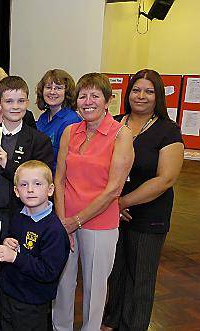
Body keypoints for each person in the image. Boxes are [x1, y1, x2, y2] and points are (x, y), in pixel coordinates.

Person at [101, 69, 184, 331]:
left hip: (149, 216)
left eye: (149, 91)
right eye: (136, 89)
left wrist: (122, 203)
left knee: (141, 279)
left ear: (158, 96)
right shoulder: (113, 123)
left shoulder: (167, 130)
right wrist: (112, 203)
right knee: (115, 274)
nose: (141, 96)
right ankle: (111, 321)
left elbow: (165, 179)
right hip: (111, 214)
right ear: (128, 93)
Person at [52, 73, 134, 331]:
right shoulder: (69, 131)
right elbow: (59, 179)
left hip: (99, 224)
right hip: (65, 220)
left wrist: (76, 222)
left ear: (108, 100)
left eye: (94, 95)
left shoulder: (121, 134)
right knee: (63, 284)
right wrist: (63, 221)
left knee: (94, 289)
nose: (88, 101)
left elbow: (113, 190)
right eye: (82, 96)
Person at [0, 76, 54, 330]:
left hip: (21, 218)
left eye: (21, 100)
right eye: (9, 101)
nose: (15, 106)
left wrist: (8, 164)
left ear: (27, 103)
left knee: (18, 271)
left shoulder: (39, 141)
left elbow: (40, 182)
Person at [0, 160, 70, 331]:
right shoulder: (18, 216)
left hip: (33, 302)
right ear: (16, 191)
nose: (30, 189)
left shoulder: (54, 230)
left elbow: (48, 272)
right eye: (23, 184)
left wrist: (15, 257)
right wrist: (9, 241)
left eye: (37, 184)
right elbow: (19, 244)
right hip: (9, 293)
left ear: (50, 189)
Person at [35, 69, 81, 171]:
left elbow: (68, 161)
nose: (52, 92)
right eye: (48, 87)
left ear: (67, 92)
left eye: (58, 88)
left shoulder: (71, 120)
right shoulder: (43, 118)